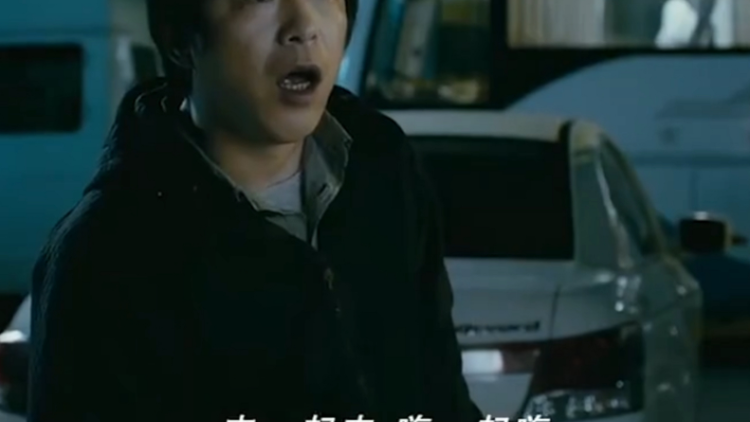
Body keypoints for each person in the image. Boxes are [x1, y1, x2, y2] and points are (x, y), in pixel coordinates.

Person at [29, 1, 482, 421]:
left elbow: (439, 385)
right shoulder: (105, 254)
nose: (303, 27)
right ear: (178, 36)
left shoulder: (381, 164)